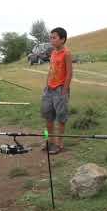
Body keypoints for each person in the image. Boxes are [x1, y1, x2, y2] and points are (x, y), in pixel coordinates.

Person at [41, 27, 73, 155]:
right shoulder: (53, 52)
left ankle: (60, 144)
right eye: (51, 37)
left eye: (54, 37)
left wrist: (64, 91)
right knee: (48, 117)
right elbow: (51, 70)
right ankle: (49, 141)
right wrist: (46, 85)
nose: (51, 40)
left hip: (60, 89)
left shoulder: (67, 53)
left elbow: (70, 73)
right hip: (49, 89)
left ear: (62, 39)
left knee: (61, 118)